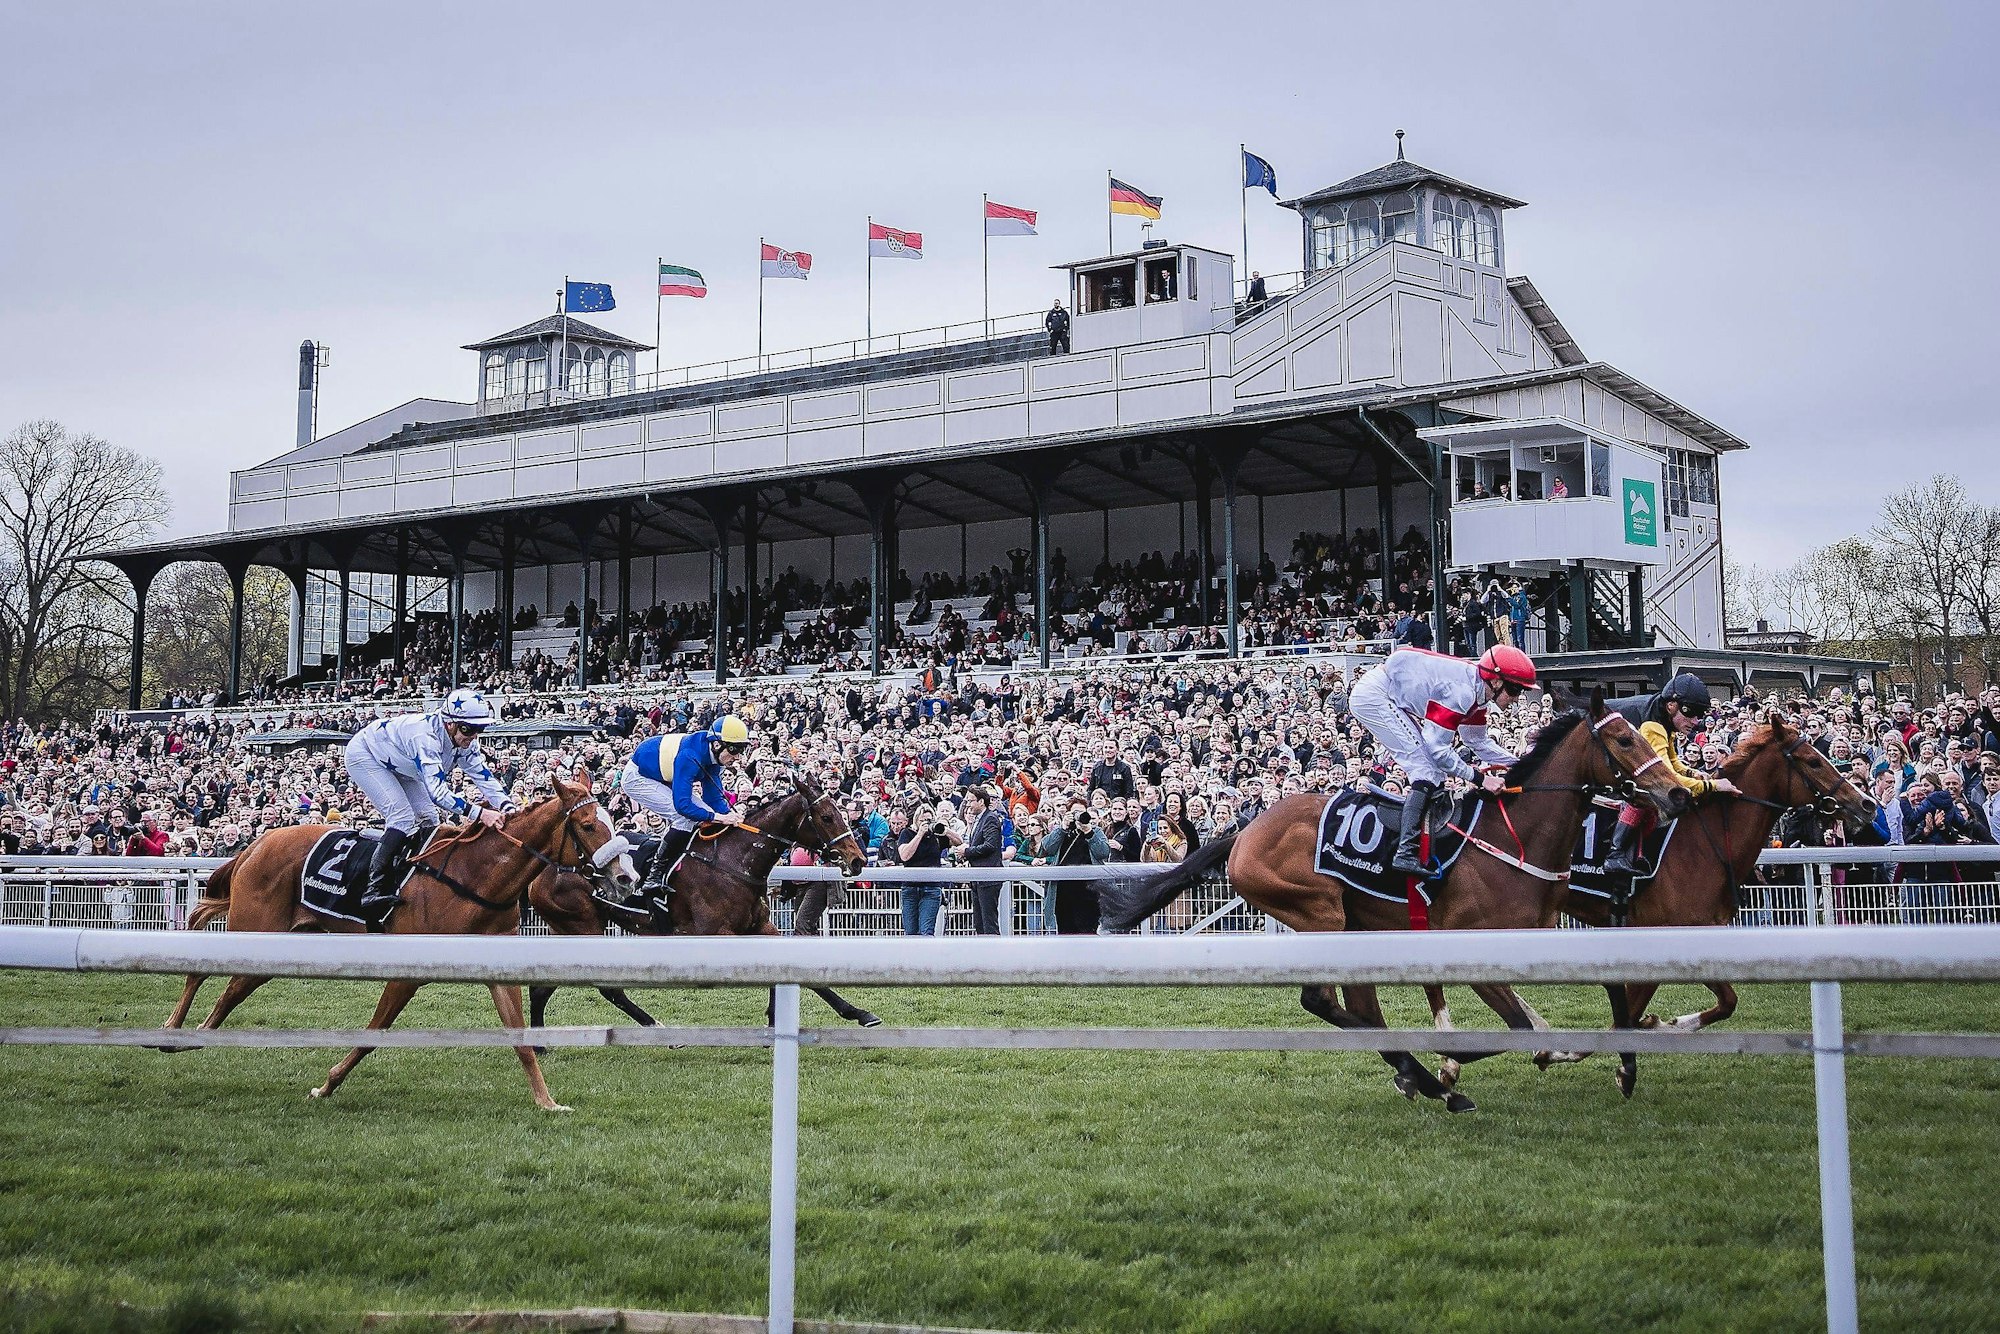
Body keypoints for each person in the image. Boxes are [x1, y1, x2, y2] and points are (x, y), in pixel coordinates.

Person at [1348, 645, 1537, 877]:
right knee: (1426, 771)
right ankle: (1405, 852)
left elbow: (1478, 742)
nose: (1517, 699)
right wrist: (1480, 779)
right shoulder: (1462, 692)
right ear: (1496, 682)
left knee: (1435, 774)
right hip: (1375, 696)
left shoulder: (1479, 694)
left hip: (1390, 692)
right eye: (1515, 690)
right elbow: (1437, 750)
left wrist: (1522, 765)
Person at [342, 687, 516, 918]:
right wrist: (481, 814)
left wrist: (508, 807)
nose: (473, 736)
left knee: (429, 819)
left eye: (479, 729)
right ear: (449, 724)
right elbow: (438, 794)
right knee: (402, 818)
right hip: (366, 755)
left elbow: (484, 777)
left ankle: (413, 875)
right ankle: (373, 889)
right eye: (468, 729)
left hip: (401, 762)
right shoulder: (425, 737)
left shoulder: (467, 742)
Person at [609, 716, 751, 918]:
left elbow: (713, 798)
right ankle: (654, 875)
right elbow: (683, 806)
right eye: (735, 750)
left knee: (707, 813)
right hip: (638, 777)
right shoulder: (690, 756)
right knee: (685, 818)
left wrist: (731, 815)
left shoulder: (714, 758)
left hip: (661, 775)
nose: (737, 756)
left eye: (742, 750)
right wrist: (720, 817)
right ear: (717, 744)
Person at [1601, 674, 1739, 878]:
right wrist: (1715, 786)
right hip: (1598, 754)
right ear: (1672, 706)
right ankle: (1615, 853)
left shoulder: (1665, 718)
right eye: (1691, 714)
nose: (1696, 721)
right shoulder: (1653, 726)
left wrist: (1695, 773)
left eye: (1699, 715)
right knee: (1648, 792)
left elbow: (1672, 763)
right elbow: (1666, 780)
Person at [960, 786, 1006, 934]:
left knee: (988, 923)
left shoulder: (990, 819)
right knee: (980, 923)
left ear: (981, 801)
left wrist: (967, 851)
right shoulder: (983, 819)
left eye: (970, 801)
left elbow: (990, 846)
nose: (968, 804)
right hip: (979, 879)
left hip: (988, 879)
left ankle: (992, 955)